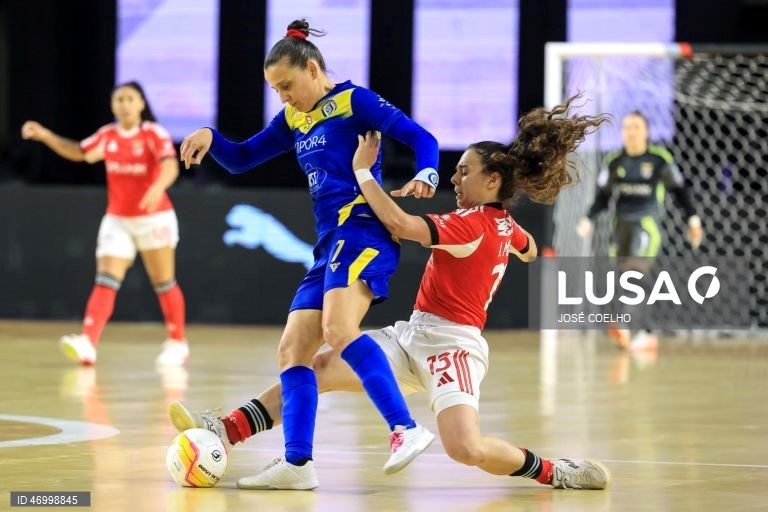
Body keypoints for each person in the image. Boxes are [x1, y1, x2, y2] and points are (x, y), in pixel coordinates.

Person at [170, 95, 612, 491]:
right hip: (413, 333)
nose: (454, 180)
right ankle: (227, 429)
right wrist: (516, 242)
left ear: (493, 180)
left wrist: (363, 171)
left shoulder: (469, 223)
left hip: (452, 347)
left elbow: (400, 225)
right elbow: (530, 250)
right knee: (319, 366)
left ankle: (557, 472)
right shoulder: (503, 225)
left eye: (464, 171)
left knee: (465, 448)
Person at [179, 19, 440, 488]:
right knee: (293, 350)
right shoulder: (293, 119)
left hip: (363, 230)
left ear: (313, 69)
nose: (283, 96)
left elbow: (423, 138)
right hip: (329, 244)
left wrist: (427, 174)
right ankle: (297, 464)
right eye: (275, 89)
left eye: (287, 85)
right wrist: (210, 137)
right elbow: (240, 158)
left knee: (338, 330)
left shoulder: (354, 100)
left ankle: (405, 427)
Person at [21, 81, 189, 366]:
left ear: (140, 104)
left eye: (130, 99)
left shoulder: (153, 133)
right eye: (119, 99)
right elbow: (78, 151)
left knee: (163, 281)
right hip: (118, 219)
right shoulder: (107, 135)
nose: (124, 104)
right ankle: (88, 343)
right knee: (106, 280)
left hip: (154, 218)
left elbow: (170, 165)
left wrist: (158, 186)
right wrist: (45, 135)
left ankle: (177, 342)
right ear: (113, 105)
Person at [576, 111, 704, 351]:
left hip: (646, 224)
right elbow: (603, 198)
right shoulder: (614, 161)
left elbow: (679, 191)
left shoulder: (658, 159)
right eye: (626, 127)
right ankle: (645, 333)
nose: (630, 132)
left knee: (635, 271)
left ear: (646, 132)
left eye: (636, 127)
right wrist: (588, 219)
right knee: (628, 279)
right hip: (620, 227)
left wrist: (693, 220)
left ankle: (624, 326)